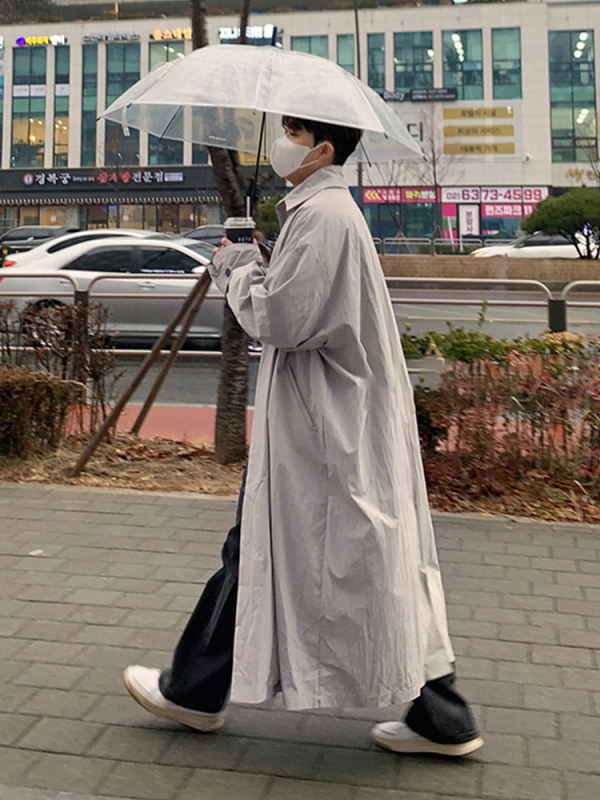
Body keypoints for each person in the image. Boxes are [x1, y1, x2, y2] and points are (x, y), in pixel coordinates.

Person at [124, 115, 483, 757]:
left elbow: (283, 319)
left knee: (319, 553)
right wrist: (258, 258)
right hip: (328, 419)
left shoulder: (322, 217)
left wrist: (235, 266)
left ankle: (196, 690)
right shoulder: (322, 213)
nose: (279, 142)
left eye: (291, 131)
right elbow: (303, 300)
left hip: (321, 426)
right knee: (337, 553)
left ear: (322, 150)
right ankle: (439, 714)